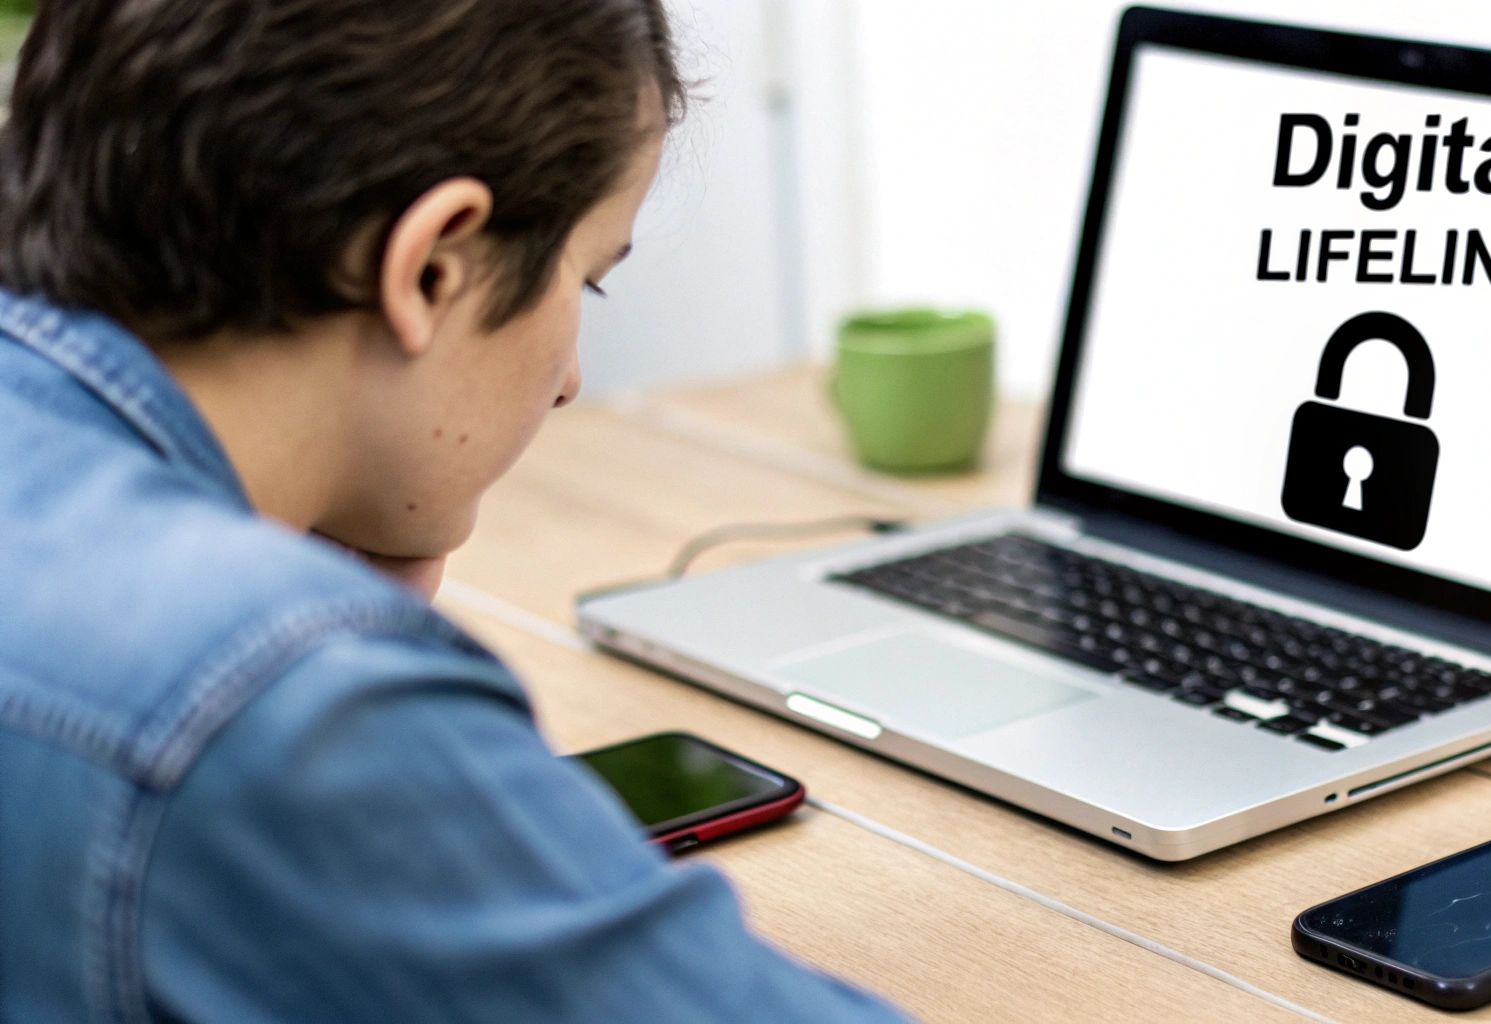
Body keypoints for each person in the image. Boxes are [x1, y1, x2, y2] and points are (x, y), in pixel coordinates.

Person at [0, 1, 907, 1020]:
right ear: (432, 267)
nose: (569, 379)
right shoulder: (272, 696)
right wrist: (333, 650)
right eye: (587, 282)